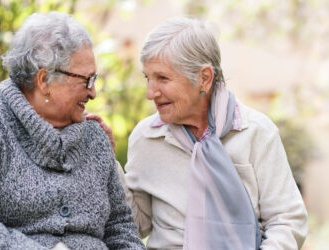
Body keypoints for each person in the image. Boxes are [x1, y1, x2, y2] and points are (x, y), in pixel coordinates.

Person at [0, 12, 144, 250]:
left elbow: (121, 228)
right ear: (44, 80)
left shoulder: (95, 137)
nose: (93, 92)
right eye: (86, 80)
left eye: (94, 79)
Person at [117, 17, 308, 249]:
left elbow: (287, 219)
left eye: (162, 78)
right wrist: (109, 165)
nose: (150, 92)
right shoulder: (146, 138)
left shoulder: (257, 132)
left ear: (204, 78)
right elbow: (137, 225)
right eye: (148, 78)